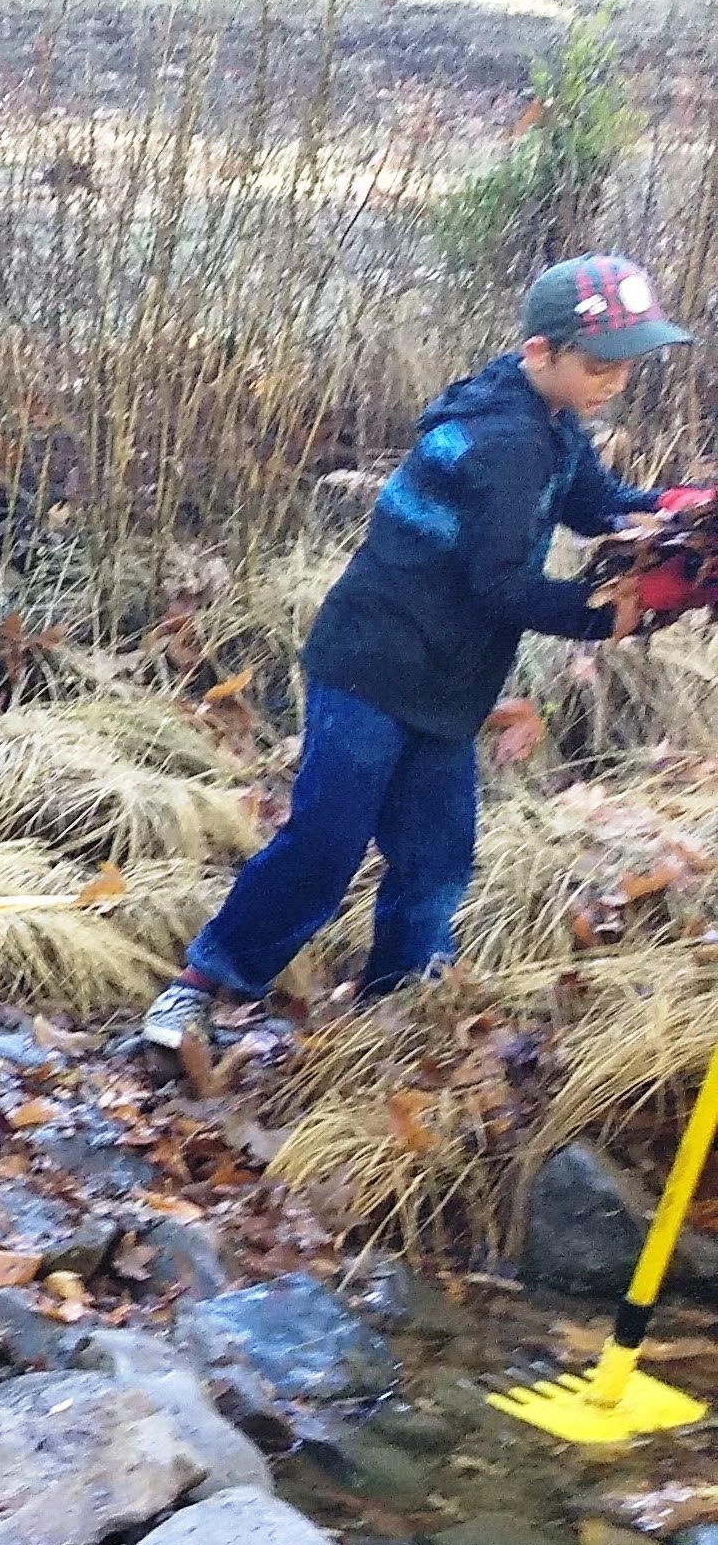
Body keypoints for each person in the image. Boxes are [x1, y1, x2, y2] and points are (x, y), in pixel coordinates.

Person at [140, 254, 696, 1058]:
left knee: (436, 853)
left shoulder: (549, 424)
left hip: (446, 680)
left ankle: (398, 1003)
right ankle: (204, 983)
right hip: (373, 662)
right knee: (328, 840)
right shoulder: (498, 439)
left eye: (626, 368)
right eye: (600, 365)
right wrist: (616, 612)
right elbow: (502, 586)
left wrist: (681, 515)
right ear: (541, 353)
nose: (614, 383)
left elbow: (597, 505)